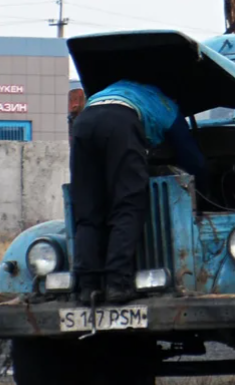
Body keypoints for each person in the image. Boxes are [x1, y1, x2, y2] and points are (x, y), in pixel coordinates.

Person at [70, 79, 207, 306]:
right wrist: (204, 188)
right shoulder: (167, 106)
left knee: (88, 209)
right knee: (128, 204)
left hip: (84, 122)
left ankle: (88, 287)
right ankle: (117, 285)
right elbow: (193, 160)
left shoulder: (122, 88)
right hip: (120, 124)